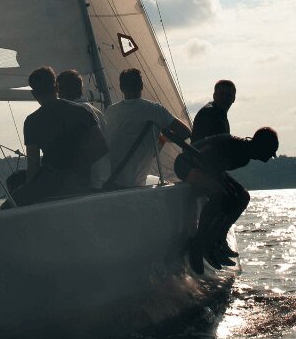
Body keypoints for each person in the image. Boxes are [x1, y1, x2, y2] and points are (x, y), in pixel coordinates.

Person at [184, 126, 278, 272]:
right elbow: (204, 159)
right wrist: (226, 189)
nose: (271, 156)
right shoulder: (237, 148)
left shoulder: (244, 156)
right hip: (187, 165)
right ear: (261, 147)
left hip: (207, 168)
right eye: (270, 152)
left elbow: (217, 170)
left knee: (242, 197)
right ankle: (199, 242)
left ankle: (218, 240)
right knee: (222, 196)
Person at [8, 66, 105, 206]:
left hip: (50, 185)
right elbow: (100, 149)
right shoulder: (82, 112)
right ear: (57, 87)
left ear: (34, 94)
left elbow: (33, 165)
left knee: (10, 194)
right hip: (81, 183)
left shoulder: (32, 121)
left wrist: (29, 194)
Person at [102, 68, 178, 188]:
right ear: (141, 86)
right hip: (136, 184)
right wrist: (161, 140)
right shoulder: (155, 110)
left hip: (110, 183)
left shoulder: (110, 112)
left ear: (121, 88)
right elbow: (185, 132)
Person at [174, 79, 235, 183]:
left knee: (242, 194)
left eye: (228, 95)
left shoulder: (218, 114)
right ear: (214, 95)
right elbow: (206, 149)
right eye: (221, 94)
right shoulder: (210, 114)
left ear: (233, 98)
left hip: (204, 166)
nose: (225, 98)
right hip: (196, 166)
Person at [55, 69, 107, 187]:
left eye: (58, 90)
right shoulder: (97, 112)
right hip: (104, 179)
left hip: (88, 184)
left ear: (62, 91)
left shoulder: (73, 114)